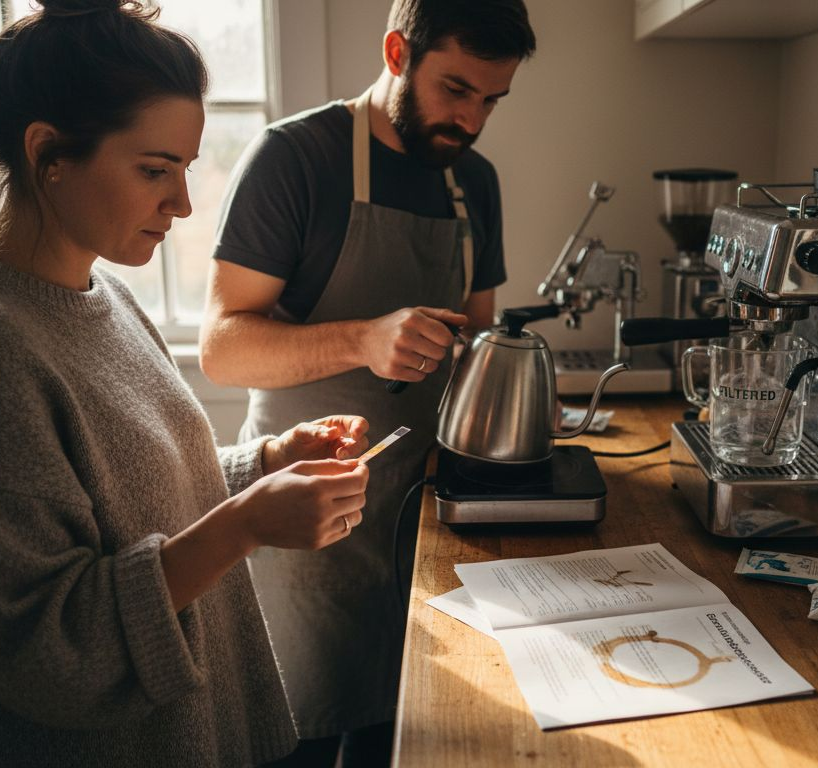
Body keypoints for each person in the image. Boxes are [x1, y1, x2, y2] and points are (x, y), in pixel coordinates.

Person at [0, 1, 371, 765]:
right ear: (48, 153)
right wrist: (244, 523)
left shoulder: (102, 294)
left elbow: (135, 494)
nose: (180, 204)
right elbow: (46, 647)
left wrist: (265, 464)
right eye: (155, 169)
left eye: (184, 170)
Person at [199, 0, 536, 763]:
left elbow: (476, 336)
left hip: (426, 530)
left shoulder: (472, 183)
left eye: (491, 99)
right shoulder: (293, 159)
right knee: (299, 744)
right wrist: (364, 338)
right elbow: (220, 349)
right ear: (396, 53)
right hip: (305, 532)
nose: (473, 120)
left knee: (409, 739)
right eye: (455, 90)